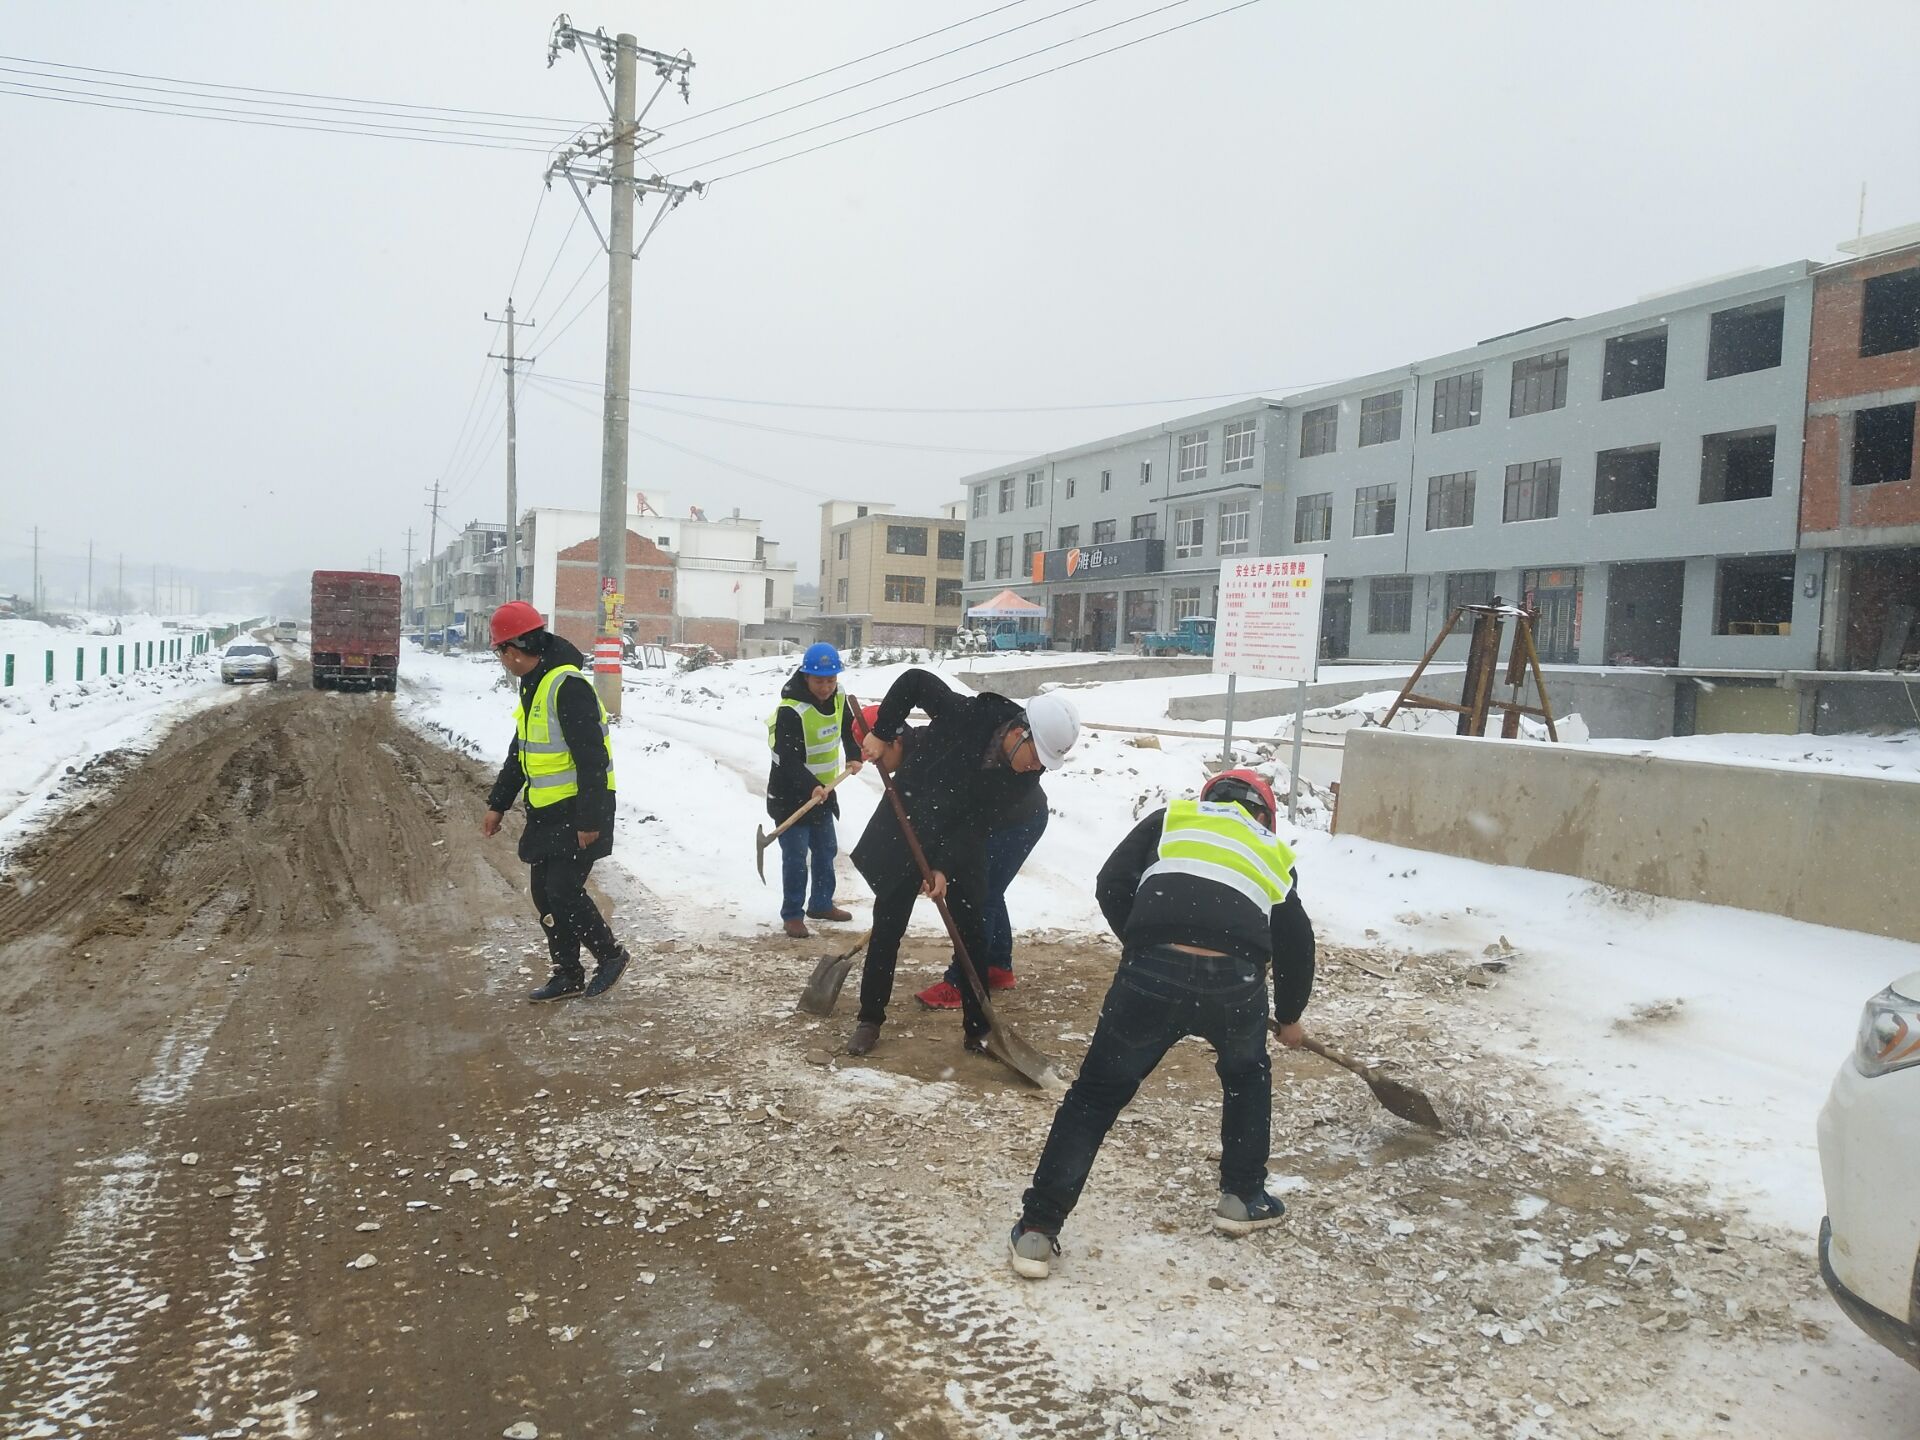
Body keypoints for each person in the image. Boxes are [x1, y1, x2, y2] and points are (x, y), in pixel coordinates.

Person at [1008, 768, 1315, 1280]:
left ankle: (1038, 1230)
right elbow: (1295, 941)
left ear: (1210, 799)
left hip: (1150, 974)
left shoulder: (1172, 818)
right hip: (1235, 983)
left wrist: (1144, 943)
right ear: (1265, 816)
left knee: (1094, 1098)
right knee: (1246, 1076)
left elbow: (1111, 882)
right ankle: (1241, 1197)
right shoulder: (1270, 848)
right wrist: (1289, 1016)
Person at [846, 669, 1080, 1057]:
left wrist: (945, 867)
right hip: (911, 817)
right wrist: (883, 731)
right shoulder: (968, 714)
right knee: (888, 923)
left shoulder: (1022, 779)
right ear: (1019, 732)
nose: (1036, 767)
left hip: (961, 834)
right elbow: (914, 681)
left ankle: (979, 1028)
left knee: (972, 930)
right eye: (1037, 756)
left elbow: (979, 822)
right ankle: (870, 1018)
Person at [480, 601, 631, 1003]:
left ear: (514, 649)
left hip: (578, 810)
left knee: (563, 891)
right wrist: (499, 803)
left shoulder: (568, 686)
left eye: (499, 652)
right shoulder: (535, 684)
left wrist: (589, 820)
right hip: (546, 811)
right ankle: (567, 972)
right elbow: (521, 752)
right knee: (544, 894)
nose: (502, 661)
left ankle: (610, 955)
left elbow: (592, 759)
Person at [853, 704, 1046, 1009]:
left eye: (876, 752)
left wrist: (940, 866)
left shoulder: (935, 748)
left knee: (982, 894)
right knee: (991, 891)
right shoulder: (913, 759)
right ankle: (997, 965)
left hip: (1017, 818)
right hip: (999, 816)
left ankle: (961, 981)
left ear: (895, 740)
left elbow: (957, 825)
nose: (874, 761)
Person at [767, 642, 863, 939]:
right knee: (796, 856)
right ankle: (793, 914)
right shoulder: (790, 711)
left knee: (825, 850)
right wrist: (811, 786)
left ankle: (821, 904)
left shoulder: (839, 696)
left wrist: (854, 753)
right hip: (789, 796)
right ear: (806, 676)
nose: (826, 687)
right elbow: (788, 760)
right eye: (819, 680)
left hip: (823, 792)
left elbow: (847, 728)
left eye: (831, 680)